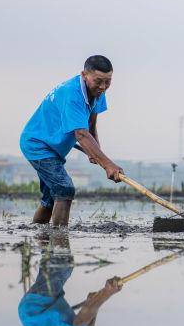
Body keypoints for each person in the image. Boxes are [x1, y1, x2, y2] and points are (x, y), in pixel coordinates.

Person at [19, 55, 124, 227]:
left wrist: (95, 152)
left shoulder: (98, 91)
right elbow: (81, 134)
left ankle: (39, 237)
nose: (103, 87)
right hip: (38, 145)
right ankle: (60, 245)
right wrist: (108, 165)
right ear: (84, 75)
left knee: (50, 200)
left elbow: (90, 123)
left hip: (54, 148)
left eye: (108, 82)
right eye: (98, 81)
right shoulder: (72, 94)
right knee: (64, 189)